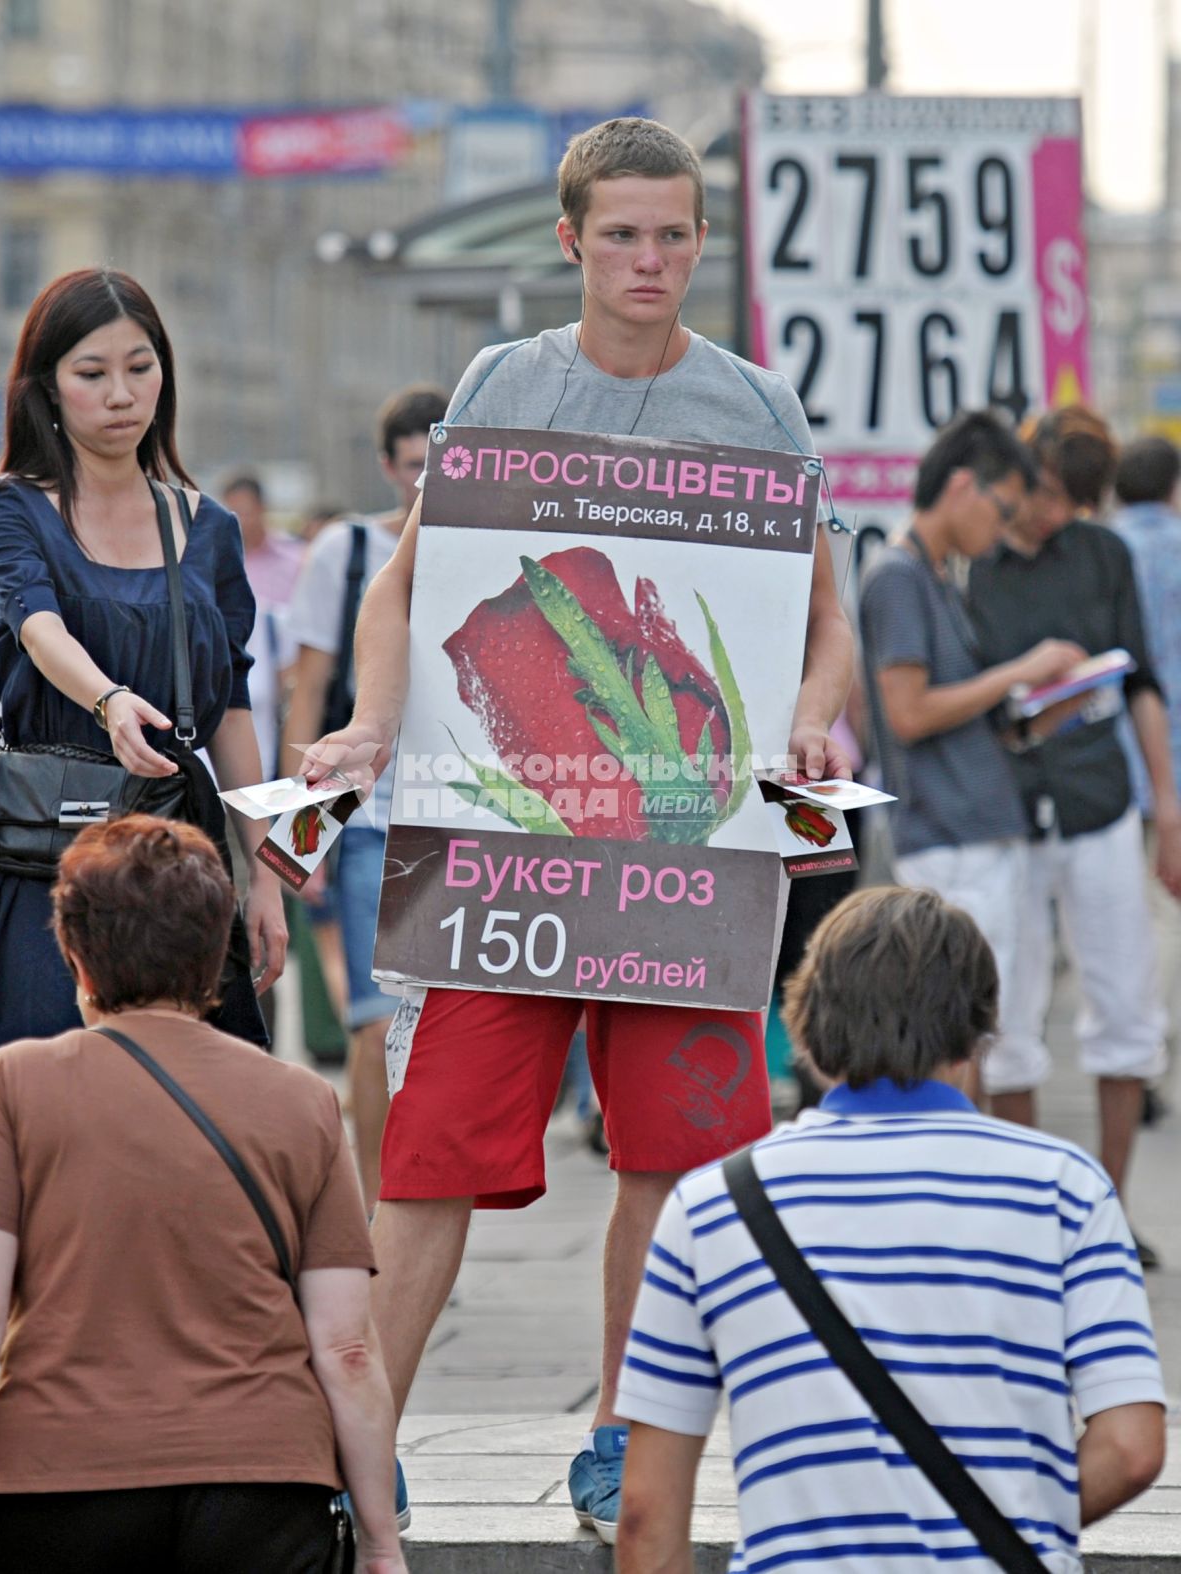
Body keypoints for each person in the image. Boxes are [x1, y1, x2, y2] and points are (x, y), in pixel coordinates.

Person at [300, 117, 854, 1539]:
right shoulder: (504, 381)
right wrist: (370, 719)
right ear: (572, 242)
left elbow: (825, 623)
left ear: (701, 241)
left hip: (692, 852)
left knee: (670, 1157)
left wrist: (813, 721)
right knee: (435, 1153)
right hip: (503, 844)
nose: (650, 258)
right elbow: (402, 590)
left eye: (674, 233)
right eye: (622, 234)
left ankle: (622, 1439)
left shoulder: (760, 410)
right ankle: (366, 1441)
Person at [0, 814, 404, 1574]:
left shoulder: (17, 1084)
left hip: (56, 1483)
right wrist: (380, 1542)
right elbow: (347, 1349)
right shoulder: (302, 1102)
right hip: (264, 1484)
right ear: (216, 954)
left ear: (72, 952)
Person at [614, 885, 1166, 1574]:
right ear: (978, 1036)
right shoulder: (1066, 1187)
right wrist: (1015, 1522)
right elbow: (1131, 1447)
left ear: (808, 1033)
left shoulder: (711, 1205)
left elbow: (643, 1514)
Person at [0, 267, 286, 1074]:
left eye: (142, 367)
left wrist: (264, 878)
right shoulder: (10, 506)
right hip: (50, 843)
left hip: (178, 847)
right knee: (44, 1092)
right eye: (92, 374)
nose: (123, 394)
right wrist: (110, 700)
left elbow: (231, 706)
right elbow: (36, 624)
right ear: (46, 389)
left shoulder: (208, 528)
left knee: (183, 1094)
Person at [967, 406, 1179, 1263]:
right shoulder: (971, 558)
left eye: (1074, 505)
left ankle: (1110, 1208)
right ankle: (1027, 1217)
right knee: (1007, 1012)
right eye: (1050, 495)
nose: (1056, 516)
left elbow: (1142, 682)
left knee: (1125, 1002)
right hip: (1005, 810)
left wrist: (1166, 804)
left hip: (1095, 798)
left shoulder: (1105, 554)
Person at [859, 411, 1084, 1107]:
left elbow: (946, 710)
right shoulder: (897, 576)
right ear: (962, 486)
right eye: (1004, 507)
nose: (1004, 527)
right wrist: (1019, 671)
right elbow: (908, 711)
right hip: (950, 838)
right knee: (962, 1031)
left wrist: (1026, 714)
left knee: (997, 1032)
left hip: (979, 827)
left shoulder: (934, 574)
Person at [283, 384, 448, 1211]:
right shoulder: (345, 552)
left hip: (466, 820)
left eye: (439, 466)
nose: (424, 484)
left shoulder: (487, 542)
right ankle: (376, 1212)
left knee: (446, 1040)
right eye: (412, 466)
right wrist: (300, 833)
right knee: (375, 1024)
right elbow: (309, 691)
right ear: (387, 466)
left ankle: (420, 1200)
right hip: (374, 819)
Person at [1113, 435, 1181, 1049]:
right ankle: (1154, 1041)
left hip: (1111, 759)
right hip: (1175, 761)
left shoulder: (1105, 550)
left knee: (1124, 912)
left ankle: (1140, 1044)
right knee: (1168, 910)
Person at [220, 474, 305, 779]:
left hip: (281, 667)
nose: (241, 520)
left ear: (262, 508)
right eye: (233, 512)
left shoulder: (295, 558)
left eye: (246, 511)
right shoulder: (222, 561)